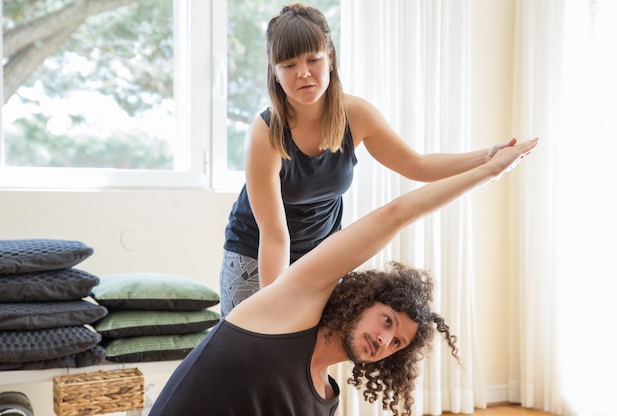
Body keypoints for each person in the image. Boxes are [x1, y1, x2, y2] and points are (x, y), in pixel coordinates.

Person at [149, 138, 539, 416]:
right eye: (387, 320)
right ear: (362, 300)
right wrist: (487, 170)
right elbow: (397, 213)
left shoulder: (326, 398)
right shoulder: (287, 309)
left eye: (397, 341)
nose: (385, 339)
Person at [220, 3, 518, 316]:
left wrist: (486, 158)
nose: (303, 73)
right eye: (289, 64)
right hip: (256, 255)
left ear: (331, 58)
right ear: (275, 72)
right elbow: (274, 235)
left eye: (313, 59)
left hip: (319, 255)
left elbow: (417, 165)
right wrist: (273, 309)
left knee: (309, 357)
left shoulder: (356, 115)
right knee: (253, 353)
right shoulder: (264, 134)